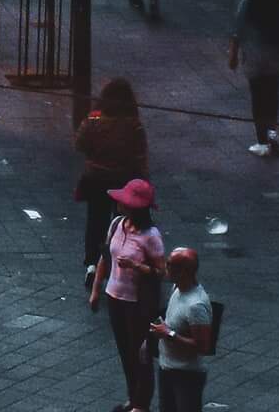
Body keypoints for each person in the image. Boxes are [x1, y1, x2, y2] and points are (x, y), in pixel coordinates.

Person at [90, 177, 166, 409]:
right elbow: (105, 257)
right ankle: (133, 397)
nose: (120, 204)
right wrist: (96, 289)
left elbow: (161, 271)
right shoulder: (116, 224)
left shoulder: (151, 236)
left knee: (140, 355)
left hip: (137, 304)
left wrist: (137, 267)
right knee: (125, 353)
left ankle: (141, 404)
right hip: (115, 297)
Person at [75, 77, 148, 281]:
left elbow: (80, 144)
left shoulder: (93, 121)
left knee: (95, 221)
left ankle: (92, 264)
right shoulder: (134, 126)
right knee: (122, 223)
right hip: (124, 180)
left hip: (96, 179)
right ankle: (119, 262)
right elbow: (140, 156)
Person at [229, 0, 279, 156]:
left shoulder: (249, 2)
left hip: (254, 57)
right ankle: (272, 131)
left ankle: (262, 141)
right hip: (277, 57)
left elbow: (237, 31)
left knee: (258, 97)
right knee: (273, 93)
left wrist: (233, 56)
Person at [151, 248, 214, 412]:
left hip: (187, 376)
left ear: (183, 272)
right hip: (167, 368)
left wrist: (168, 334)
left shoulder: (196, 306)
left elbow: (203, 346)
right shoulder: (177, 288)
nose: (165, 267)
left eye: (170, 264)